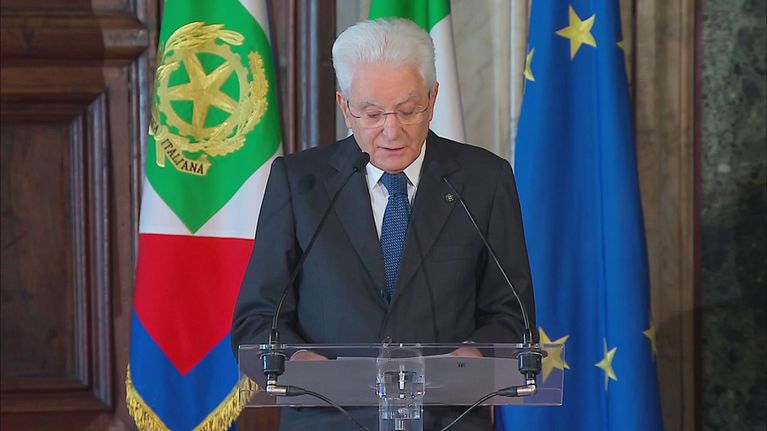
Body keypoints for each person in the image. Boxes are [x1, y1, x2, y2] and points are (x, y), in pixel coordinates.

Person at [232, 17, 534, 430]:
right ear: (345, 107)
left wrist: (475, 356)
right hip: (328, 420)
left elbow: (513, 316)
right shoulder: (300, 183)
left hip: (446, 420)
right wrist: (299, 363)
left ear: (433, 98)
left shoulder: (484, 180)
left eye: (408, 111)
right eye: (372, 113)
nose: (392, 131)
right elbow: (256, 320)